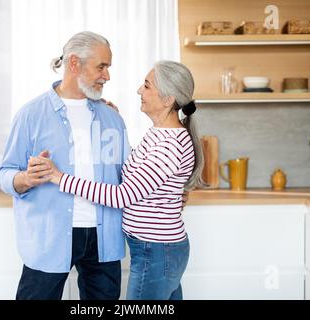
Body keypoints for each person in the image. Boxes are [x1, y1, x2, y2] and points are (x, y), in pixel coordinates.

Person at [44, 60, 206, 300]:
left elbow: (122, 195)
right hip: (157, 251)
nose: (139, 90)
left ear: (168, 99)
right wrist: (116, 123)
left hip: (157, 252)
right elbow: (137, 169)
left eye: (147, 86)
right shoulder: (160, 133)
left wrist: (59, 177)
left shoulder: (170, 143)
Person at [0, 31, 131, 300]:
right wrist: (25, 178)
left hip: (103, 236)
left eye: (108, 67)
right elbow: (5, 173)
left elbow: (127, 175)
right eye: (101, 66)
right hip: (50, 236)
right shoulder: (30, 115)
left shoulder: (112, 118)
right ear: (74, 63)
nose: (107, 76)